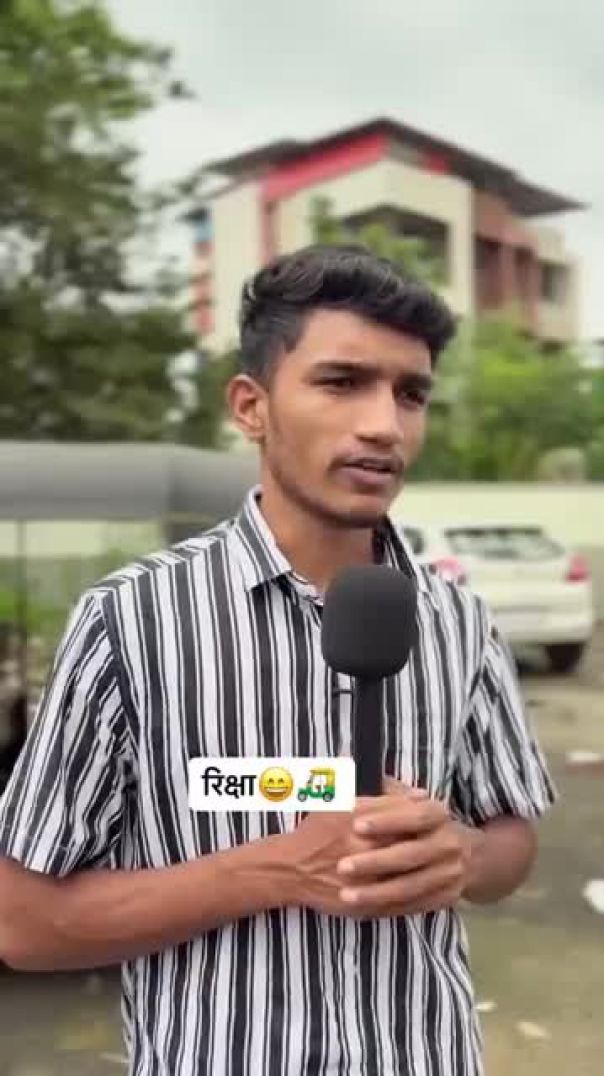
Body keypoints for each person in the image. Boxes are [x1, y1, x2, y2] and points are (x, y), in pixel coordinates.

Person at [0, 245, 556, 1075]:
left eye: (411, 393)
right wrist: (278, 870)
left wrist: (464, 855)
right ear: (250, 407)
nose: (385, 425)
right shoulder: (131, 620)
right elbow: (22, 922)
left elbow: (511, 838)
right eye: (342, 382)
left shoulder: (461, 623)